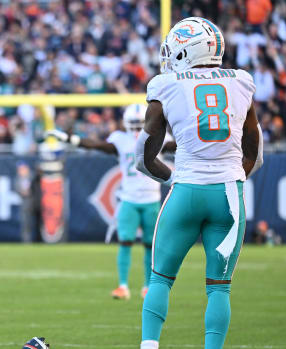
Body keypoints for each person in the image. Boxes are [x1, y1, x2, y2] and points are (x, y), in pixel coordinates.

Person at [135, 17, 263, 349]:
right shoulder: (242, 81)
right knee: (219, 287)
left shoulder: (165, 84)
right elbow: (255, 153)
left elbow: (143, 156)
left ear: (185, 51)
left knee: (160, 278)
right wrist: (231, 178)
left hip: (186, 190)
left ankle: (149, 345)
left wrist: (174, 177)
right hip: (228, 195)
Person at [46, 104, 175, 300]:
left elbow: (177, 145)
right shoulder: (121, 140)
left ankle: (148, 286)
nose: (136, 128)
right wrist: (72, 139)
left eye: (139, 123)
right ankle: (123, 286)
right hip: (129, 198)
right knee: (125, 241)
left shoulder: (159, 138)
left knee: (150, 244)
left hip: (151, 198)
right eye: (133, 123)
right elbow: (96, 145)